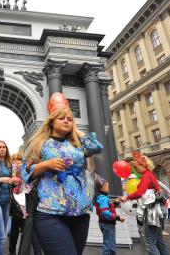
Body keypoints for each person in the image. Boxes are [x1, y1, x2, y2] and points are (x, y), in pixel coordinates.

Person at [21, 92, 103, 255]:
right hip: (51, 212)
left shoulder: (77, 145)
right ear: (51, 121)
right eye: (61, 118)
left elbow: (96, 147)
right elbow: (24, 173)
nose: (66, 121)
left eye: (70, 119)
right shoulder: (39, 144)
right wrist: (45, 165)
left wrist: (75, 129)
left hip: (80, 212)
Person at [120, 152, 169, 255]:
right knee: (159, 240)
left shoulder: (146, 176)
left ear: (144, 165)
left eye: (137, 167)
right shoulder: (151, 175)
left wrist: (127, 197)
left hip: (152, 211)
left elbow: (140, 192)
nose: (136, 170)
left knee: (150, 241)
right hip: (158, 209)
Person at [9, 152, 42, 255]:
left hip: (21, 202)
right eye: (15, 159)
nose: (16, 161)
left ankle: (12, 251)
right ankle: (35, 252)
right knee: (28, 228)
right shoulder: (26, 168)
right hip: (24, 201)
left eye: (19, 159)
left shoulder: (15, 169)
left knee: (19, 227)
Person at [94, 174, 125, 255]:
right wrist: (117, 218)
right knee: (109, 246)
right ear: (102, 187)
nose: (108, 188)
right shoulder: (103, 198)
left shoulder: (102, 197)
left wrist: (115, 201)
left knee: (108, 243)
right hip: (107, 224)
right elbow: (104, 212)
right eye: (107, 186)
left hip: (105, 224)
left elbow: (107, 206)